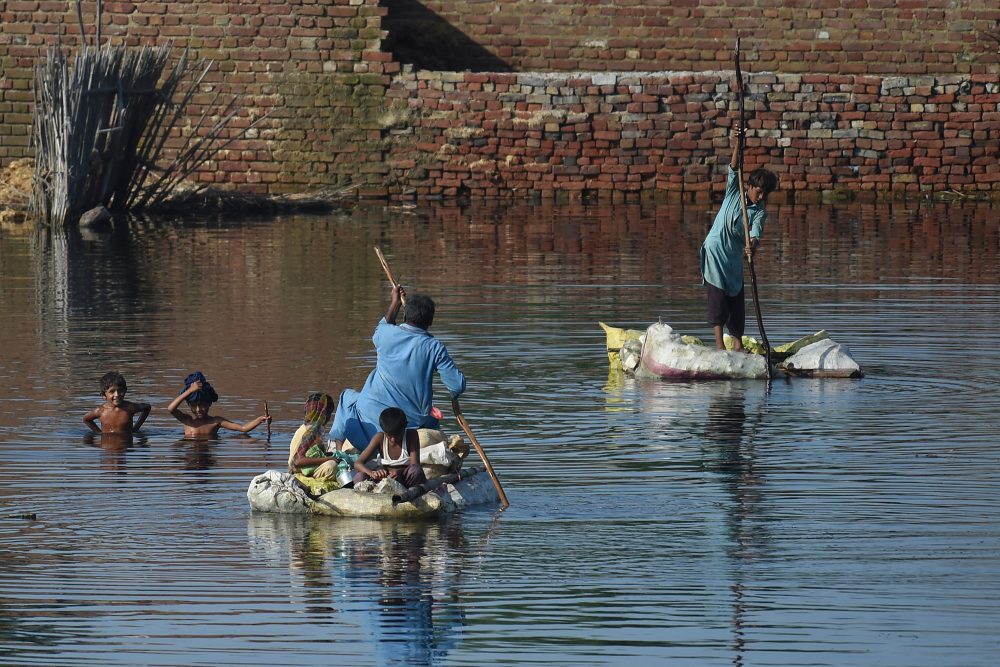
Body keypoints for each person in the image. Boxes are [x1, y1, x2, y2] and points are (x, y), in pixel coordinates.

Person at [329, 284, 466, 451]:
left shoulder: (385, 334)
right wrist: (454, 394)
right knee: (431, 420)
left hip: (370, 420)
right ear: (430, 321)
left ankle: (335, 449)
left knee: (346, 397)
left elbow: (386, 323)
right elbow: (457, 385)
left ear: (405, 315)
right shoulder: (434, 347)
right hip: (408, 425)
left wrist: (394, 303)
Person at [700, 123, 779, 351]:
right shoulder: (734, 191)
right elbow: (734, 167)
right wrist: (738, 141)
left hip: (733, 258)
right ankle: (719, 345)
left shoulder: (759, 212)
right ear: (750, 186)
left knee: (736, 297)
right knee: (718, 297)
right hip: (715, 251)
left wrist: (751, 247)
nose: (760, 196)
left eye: (765, 194)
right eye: (758, 191)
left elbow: (755, 235)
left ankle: (737, 344)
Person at [167, 371, 271, 438]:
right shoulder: (187, 420)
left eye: (202, 405)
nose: (198, 409)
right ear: (189, 405)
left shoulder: (215, 421)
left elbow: (243, 428)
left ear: (209, 403)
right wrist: (189, 391)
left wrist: (260, 420)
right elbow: (171, 409)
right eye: (194, 405)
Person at [353, 407, 428, 488]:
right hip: (384, 480)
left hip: (405, 480)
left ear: (405, 427)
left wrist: (399, 473)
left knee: (416, 471)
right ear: (384, 430)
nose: (393, 439)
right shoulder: (379, 438)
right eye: (389, 435)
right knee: (359, 477)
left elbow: (414, 465)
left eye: (397, 435)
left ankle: (408, 493)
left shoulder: (411, 435)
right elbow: (358, 464)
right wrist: (373, 473)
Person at [287, 392, 349, 479]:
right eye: (328, 414)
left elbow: (312, 454)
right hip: (299, 471)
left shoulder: (312, 428)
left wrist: (333, 455)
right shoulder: (310, 431)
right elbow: (297, 461)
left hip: (306, 468)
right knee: (332, 466)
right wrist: (328, 459)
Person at [83, 371, 151, 434]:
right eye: (112, 391)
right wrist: (99, 432)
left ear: (125, 391)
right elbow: (86, 419)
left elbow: (147, 407)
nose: (117, 394)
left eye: (120, 390)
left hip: (125, 445)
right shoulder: (100, 411)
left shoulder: (130, 407)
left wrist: (136, 428)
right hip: (107, 445)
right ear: (104, 395)